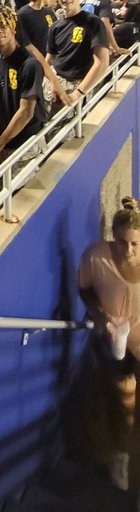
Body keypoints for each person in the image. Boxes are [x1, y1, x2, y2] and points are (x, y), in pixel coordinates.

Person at [78, 197, 140, 495]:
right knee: (124, 397)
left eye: (135, 245)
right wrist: (99, 314)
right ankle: (121, 454)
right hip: (115, 342)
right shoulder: (95, 256)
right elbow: (85, 289)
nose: (127, 250)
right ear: (112, 237)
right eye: (121, 242)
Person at [0, 5, 46, 163]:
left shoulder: (29, 64)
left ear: (14, 28)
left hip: (26, 144)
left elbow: (26, 112)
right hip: (9, 140)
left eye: (3, 26)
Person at [46, 0, 110, 102]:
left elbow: (102, 62)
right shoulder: (55, 27)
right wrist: (52, 82)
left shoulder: (93, 23)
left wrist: (78, 92)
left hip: (77, 85)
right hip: (55, 84)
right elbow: (50, 59)